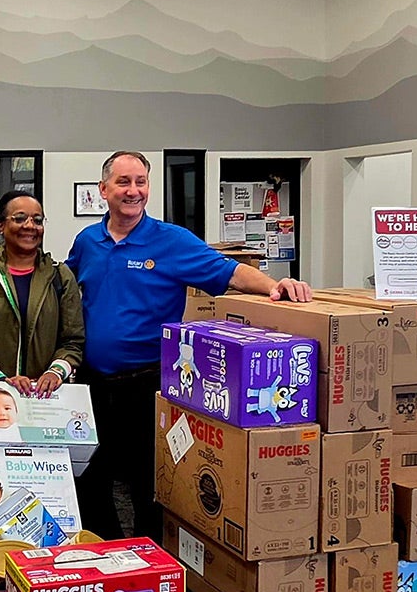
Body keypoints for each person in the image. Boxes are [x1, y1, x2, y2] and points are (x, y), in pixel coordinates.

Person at [65, 150, 313, 540]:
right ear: (103, 189)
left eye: (141, 182)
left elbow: (230, 272)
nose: (133, 191)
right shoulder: (87, 242)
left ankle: (149, 561)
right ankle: (103, 556)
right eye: (123, 182)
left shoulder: (172, 241)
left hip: (148, 384)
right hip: (91, 384)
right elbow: (65, 289)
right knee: (91, 478)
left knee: (149, 480)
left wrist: (274, 284)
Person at [0, 189, 84, 399]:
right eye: (20, 218)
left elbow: (73, 341)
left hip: (46, 401)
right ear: (1, 226)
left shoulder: (60, 276)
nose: (30, 226)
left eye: (37, 220)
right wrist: (0, 379)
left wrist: (56, 371)